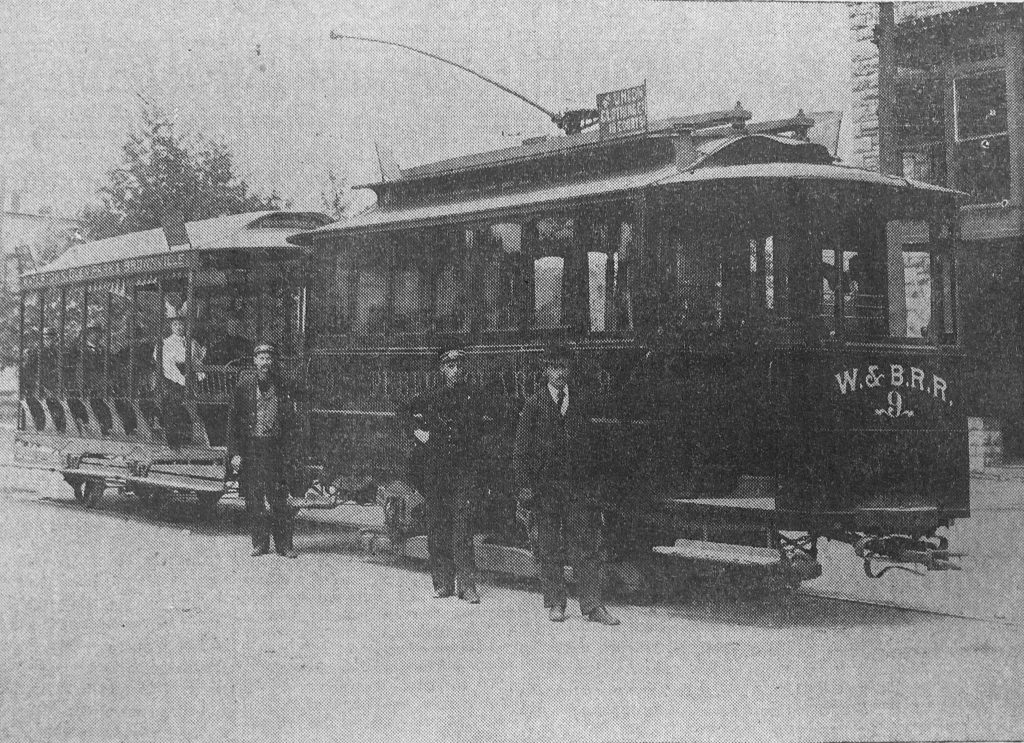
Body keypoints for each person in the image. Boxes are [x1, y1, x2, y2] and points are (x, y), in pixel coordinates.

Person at [513, 343, 620, 626]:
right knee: (549, 546)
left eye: (563, 367)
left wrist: (595, 485)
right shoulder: (534, 405)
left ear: (570, 370)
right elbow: (521, 450)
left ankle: (593, 605)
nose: (559, 373)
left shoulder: (581, 402)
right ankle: (556, 602)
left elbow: (595, 446)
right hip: (546, 488)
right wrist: (526, 487)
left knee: (584, 545)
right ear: (546, 370)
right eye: (553, 367)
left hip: (578, 487)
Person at [406, 342, 492, 603]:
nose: (456, 370)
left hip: (464, 471)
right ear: (442, 369)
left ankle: (467, 586)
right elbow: (403, 412)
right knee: (438, 525)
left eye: (459, 365)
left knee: (463, 526)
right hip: (437, 471)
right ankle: (443, 582)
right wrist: (419, 433)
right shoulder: (431, 396)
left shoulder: (474, 396)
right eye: (450, 366)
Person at [227, 342, 301, 558]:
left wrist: (291, 451)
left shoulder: (283, 385)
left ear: (273, 361)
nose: (265, 363)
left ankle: (284, 546)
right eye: (261, 359)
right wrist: (235, 453)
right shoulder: (244, 386)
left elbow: (291, 420)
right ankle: (260, 544)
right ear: (254, 361)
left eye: (269, 359)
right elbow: (233, 421)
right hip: (251, 448)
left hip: (275, 448)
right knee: (254, 498)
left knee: (279, 498)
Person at [157, 316, 206, 446]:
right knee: (175, 407)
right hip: (172, 381)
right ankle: (175, 444)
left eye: (181, 324)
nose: (179, 327)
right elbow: (167, 366)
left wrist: (200, 376)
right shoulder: (165, 343)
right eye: (176, 324)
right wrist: (181, 380)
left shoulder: (192, 342)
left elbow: (197, 360)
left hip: (191, 380)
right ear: (171, 326)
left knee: (197, 407)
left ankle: (193, 440)